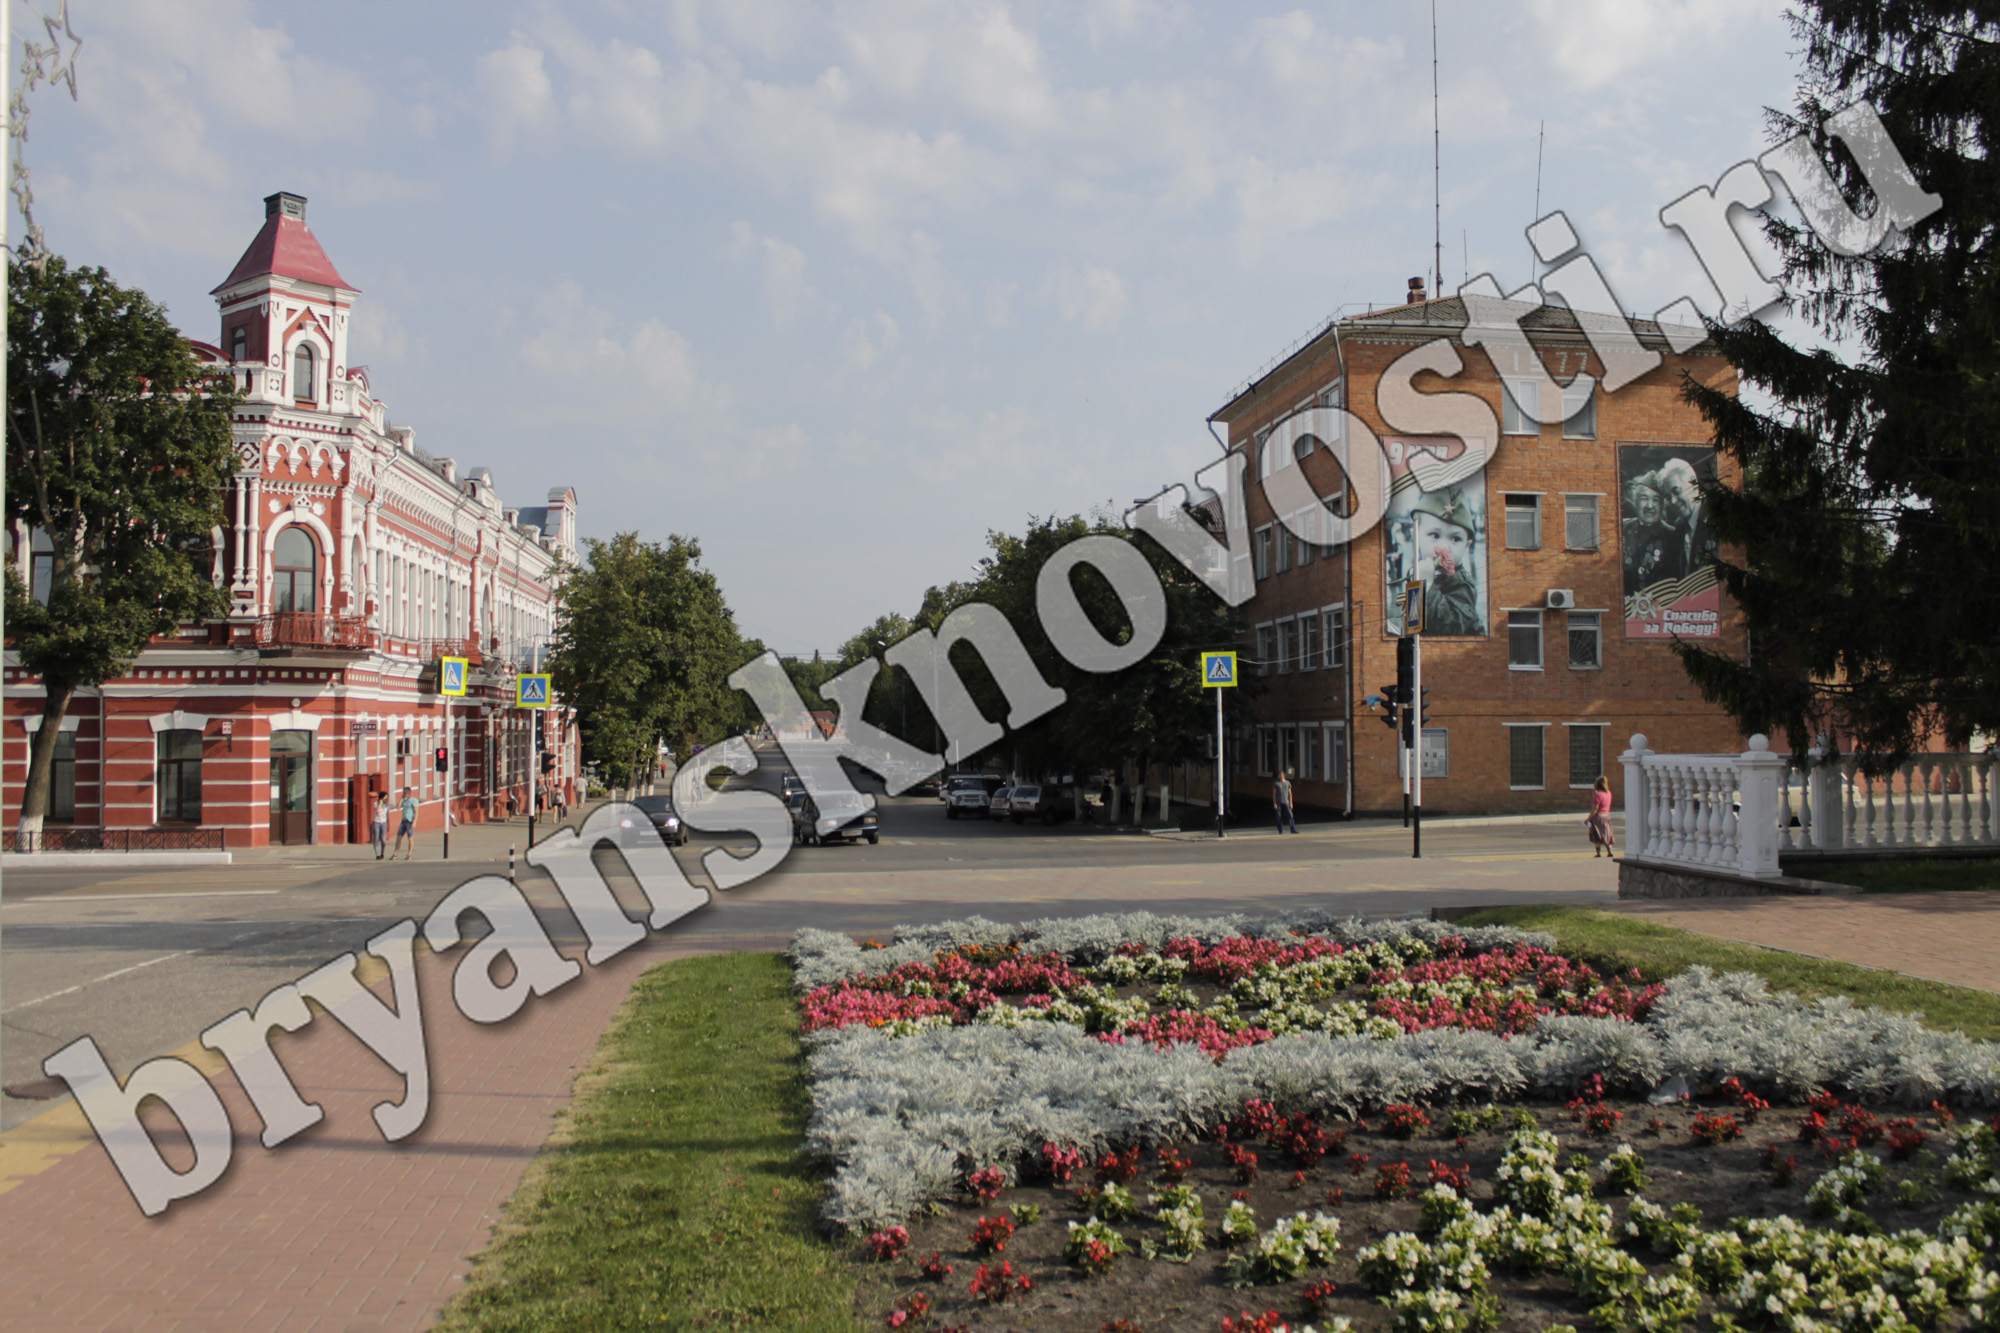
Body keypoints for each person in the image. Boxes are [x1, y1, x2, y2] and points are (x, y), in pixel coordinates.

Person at [1403, 486, 1483, 636]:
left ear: (1467, 545)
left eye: (1456, 539)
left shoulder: (1462, 584)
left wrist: (1427, 588)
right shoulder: (1418, 571)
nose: (1445, 546)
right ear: (1415, 535)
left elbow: (1450, 630)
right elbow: (1414, 623)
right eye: (1434, 535)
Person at [1586, 775, 1615, 857]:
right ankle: (1609, 851)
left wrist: (1588, 819)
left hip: (1598, 817)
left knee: (1597, 834)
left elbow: (1595, 809)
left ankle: (1598, 853)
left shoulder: (1598, 795)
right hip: (1606, 815)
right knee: (1607, 833)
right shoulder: (1609, 793)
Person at [393, 786, 419, 860]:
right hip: (403, 821)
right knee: (399, 837)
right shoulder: (404, 801)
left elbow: (416, 812)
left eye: (406, 792)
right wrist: (401, 799)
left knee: (410, 838)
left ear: (409, 792)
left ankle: (409, 854)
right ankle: (395, 853)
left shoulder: (414, 800)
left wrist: (414, 822)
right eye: (404, 792)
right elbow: (398, 807)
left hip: (410, 821)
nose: (405, 794)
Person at [1273, 768, 1299, 834]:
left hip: (1286, 802)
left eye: (1281, 775)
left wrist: (1291, 803)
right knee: (1279, 816)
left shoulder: (1288, 783)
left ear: (1284, 775)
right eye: (1279, 775)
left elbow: (1290, 793)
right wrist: (1274, 803)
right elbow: (1274, 794)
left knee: (1290, 815)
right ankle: (1280, 830)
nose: (1280, 776)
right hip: (1279, 802)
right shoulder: (1276, 783)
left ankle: (1292, 829)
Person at [370, 790, 390, 860]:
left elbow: (387, 814)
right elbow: (377, 810)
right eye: (384, 798)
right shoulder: (376, 803)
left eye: (386, 798)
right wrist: (380, 803)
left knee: (383, 840)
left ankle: (382, 852)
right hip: (376, 822)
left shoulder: (386, 805)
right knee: (376, 838)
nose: (385, 799)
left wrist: (388, 824)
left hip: (383, 823)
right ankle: (377, 854)